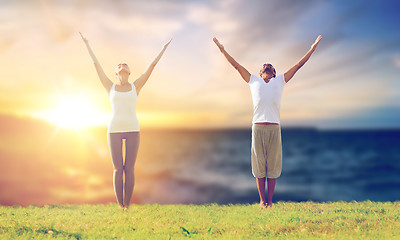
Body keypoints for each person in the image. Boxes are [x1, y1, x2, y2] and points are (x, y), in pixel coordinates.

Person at [213, 35, 322, 208]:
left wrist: (313, 48)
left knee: (272, 167)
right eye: (265, 66)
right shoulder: (253, 80)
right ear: (260, 73)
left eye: (270, 66)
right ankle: (262, 201)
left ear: (274, 73)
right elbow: (235, 65)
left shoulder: (280, 81)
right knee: (258, 166)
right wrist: (222, 49)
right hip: (257, 128)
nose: (268, 65)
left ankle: (270, 202)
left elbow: (299, 65)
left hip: (274, 128)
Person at [80, 32, 171, 210]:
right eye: (119, 65)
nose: (122, 66)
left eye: (125, 65)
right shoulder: (110, 86)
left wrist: (163, 49)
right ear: (116, 73)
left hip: (132, 130)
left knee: (129, 169)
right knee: (117, 169)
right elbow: (96, 64)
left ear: (129, 72)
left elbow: (151, 66)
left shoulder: (136, 86)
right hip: (114, 130)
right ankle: (119, 205)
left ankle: (127, 206)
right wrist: (87, 44)